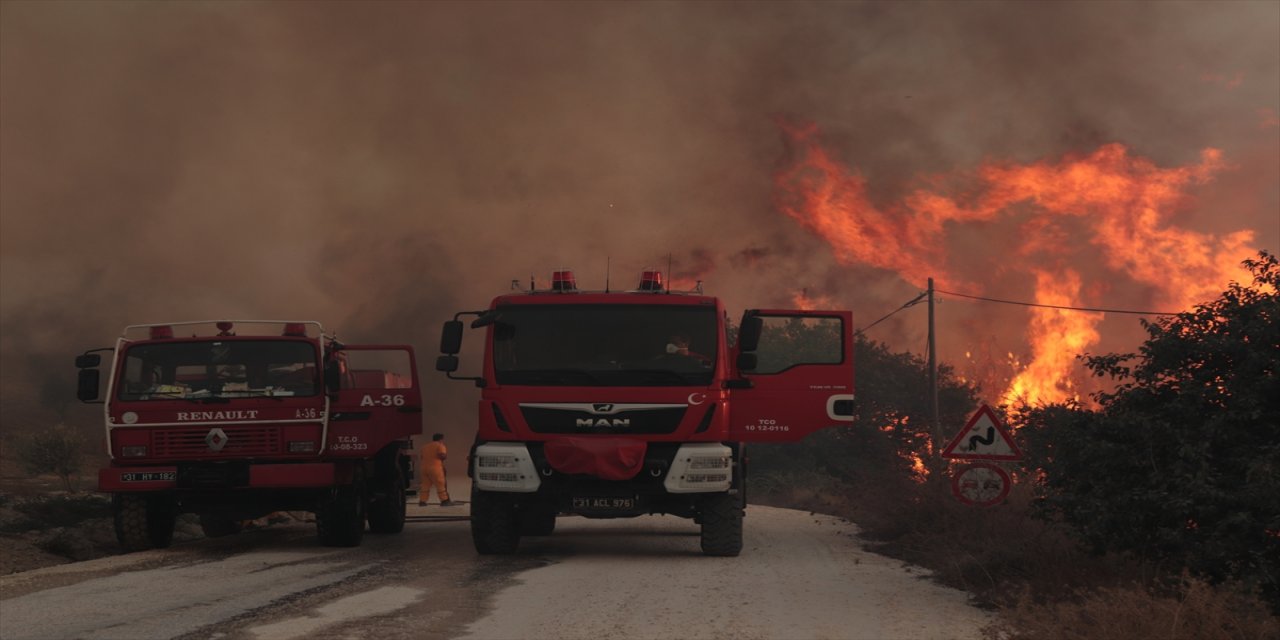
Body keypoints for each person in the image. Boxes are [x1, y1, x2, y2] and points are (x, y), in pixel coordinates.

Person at [418, 433, 453, 506]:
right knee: (440, 484)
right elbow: (442, 455)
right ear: (441, 439)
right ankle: (444, 501)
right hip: (435, 468)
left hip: (424, 468)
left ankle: (422, 501)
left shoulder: (424, 447)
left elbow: (422, 457)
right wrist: (445, 456)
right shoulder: (440, 445)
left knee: (425, 485)